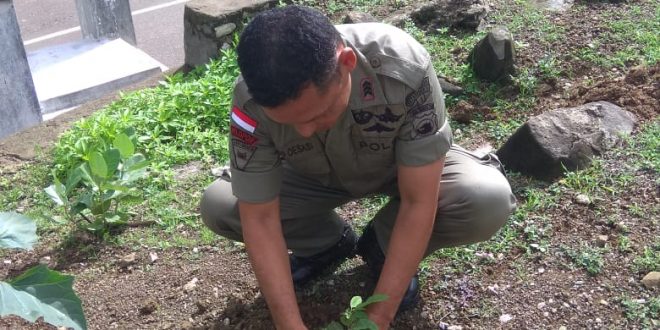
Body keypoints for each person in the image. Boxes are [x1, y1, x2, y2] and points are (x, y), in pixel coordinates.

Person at [200, 5, 516, 329]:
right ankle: (326, 244)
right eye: (291, 123)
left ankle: (382, 246)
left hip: (401, 168)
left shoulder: (403, 66)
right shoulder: (251, 99)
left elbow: (419, 201)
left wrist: (378, 317)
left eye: (316, 114)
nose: (306, 130)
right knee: (222, 205)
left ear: (346, 65)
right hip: (312, 178)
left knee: (485, 198)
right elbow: (260, 218)